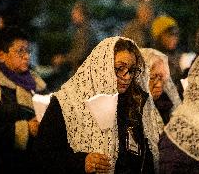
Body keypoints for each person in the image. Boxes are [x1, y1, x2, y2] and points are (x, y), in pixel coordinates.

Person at [32, 37, 162, 173]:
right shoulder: (67, 103)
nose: (127, 76)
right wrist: (82, 162)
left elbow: (146, 154)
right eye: (120, 68)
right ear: (102, 66)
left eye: (132, 70)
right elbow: (43, 155)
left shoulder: (136, 102)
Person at [0, 27, 46, 173]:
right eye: (20, 51)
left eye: (28, 51)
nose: (27, 56)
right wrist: (25, 129)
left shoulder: (37, 84)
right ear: (1, 55)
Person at [140, 48, 181, 125]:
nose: (159, 84)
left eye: (162, 78)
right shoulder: (134, 109)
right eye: (152, 78)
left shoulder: (167, 102)